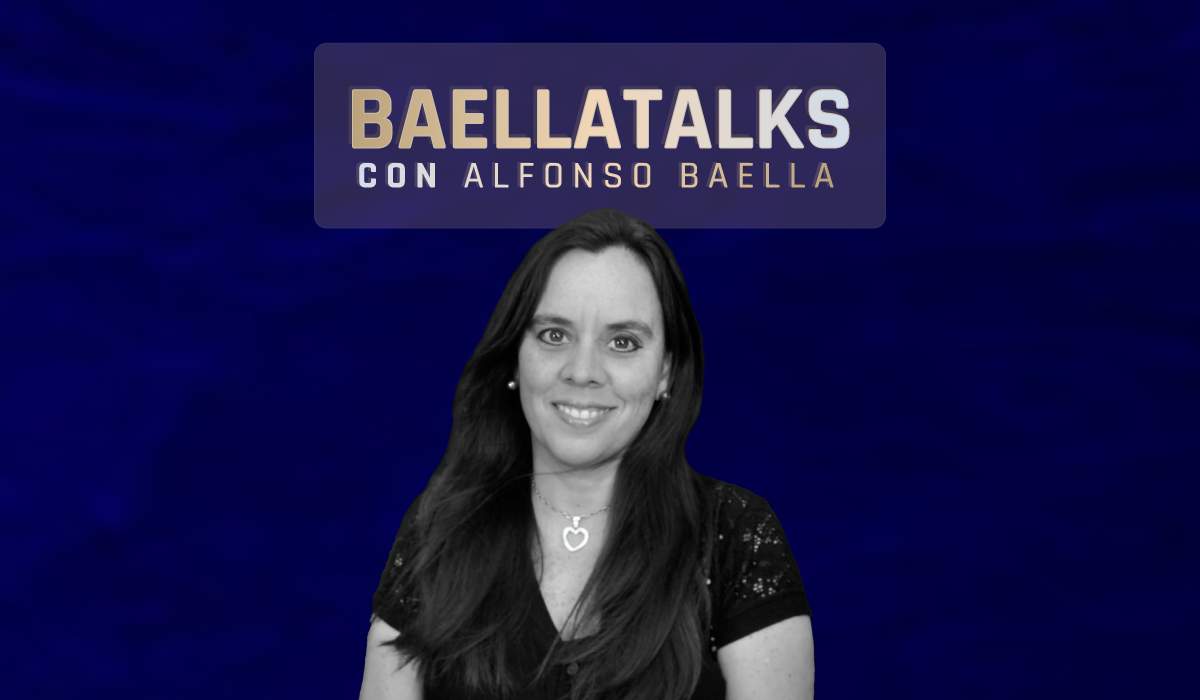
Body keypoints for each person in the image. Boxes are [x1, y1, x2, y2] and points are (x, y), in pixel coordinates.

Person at [360, 209, 814, 700]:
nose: (582, 371)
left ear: (665, 372)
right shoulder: (441, 528)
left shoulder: (737, 536)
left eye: (623, 342)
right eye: (554, 335)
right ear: (515, 357)